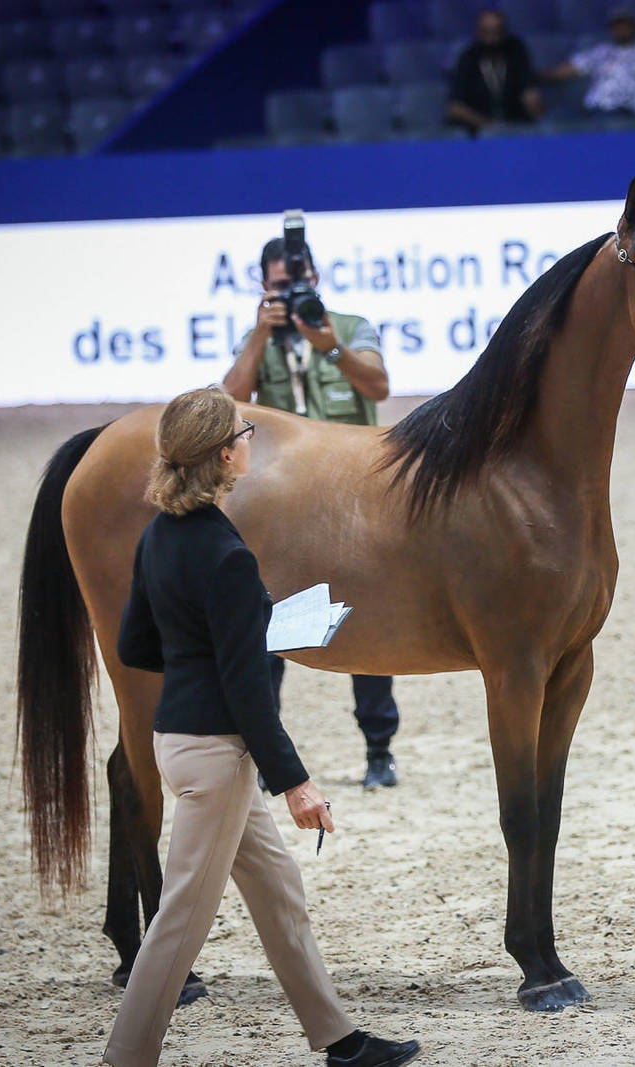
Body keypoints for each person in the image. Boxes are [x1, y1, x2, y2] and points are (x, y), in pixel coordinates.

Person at [105, 387, 420, 1067]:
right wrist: (298, 783)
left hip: (180, 738)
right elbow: (250, 695)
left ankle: (340, 1039)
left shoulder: (159, 534)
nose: (250, 439)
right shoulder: (228, 556)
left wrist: (215, 643)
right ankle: (125, 1058)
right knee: (179, 923)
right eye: (244, 433)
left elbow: (137, 644)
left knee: (279, 894)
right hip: (217, 757)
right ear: (224, 454)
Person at [222, 235, 403, 790]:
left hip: (354, 493)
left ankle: (379, 749)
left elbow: (378, 384)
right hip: (282, 502)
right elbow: (226, 402)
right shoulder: (259, 337)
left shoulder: (348, 326)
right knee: (263, 614)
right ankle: (259, 746)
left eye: (298, 284)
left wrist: (326, 345)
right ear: (262, 286)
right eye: (279, 285)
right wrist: (259, 334)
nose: (291, 294)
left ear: (318, 278)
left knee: (366, 614)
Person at [446, 7, 543, 134]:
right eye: (487, 32)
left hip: (514, 123)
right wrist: (489, 126)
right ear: (478, 33)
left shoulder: (516, 50)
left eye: (497, 32)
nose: (492, 39)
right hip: (479, 127)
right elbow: (455, 108)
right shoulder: (468, 58)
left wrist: (532, 98)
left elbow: (529, 88)